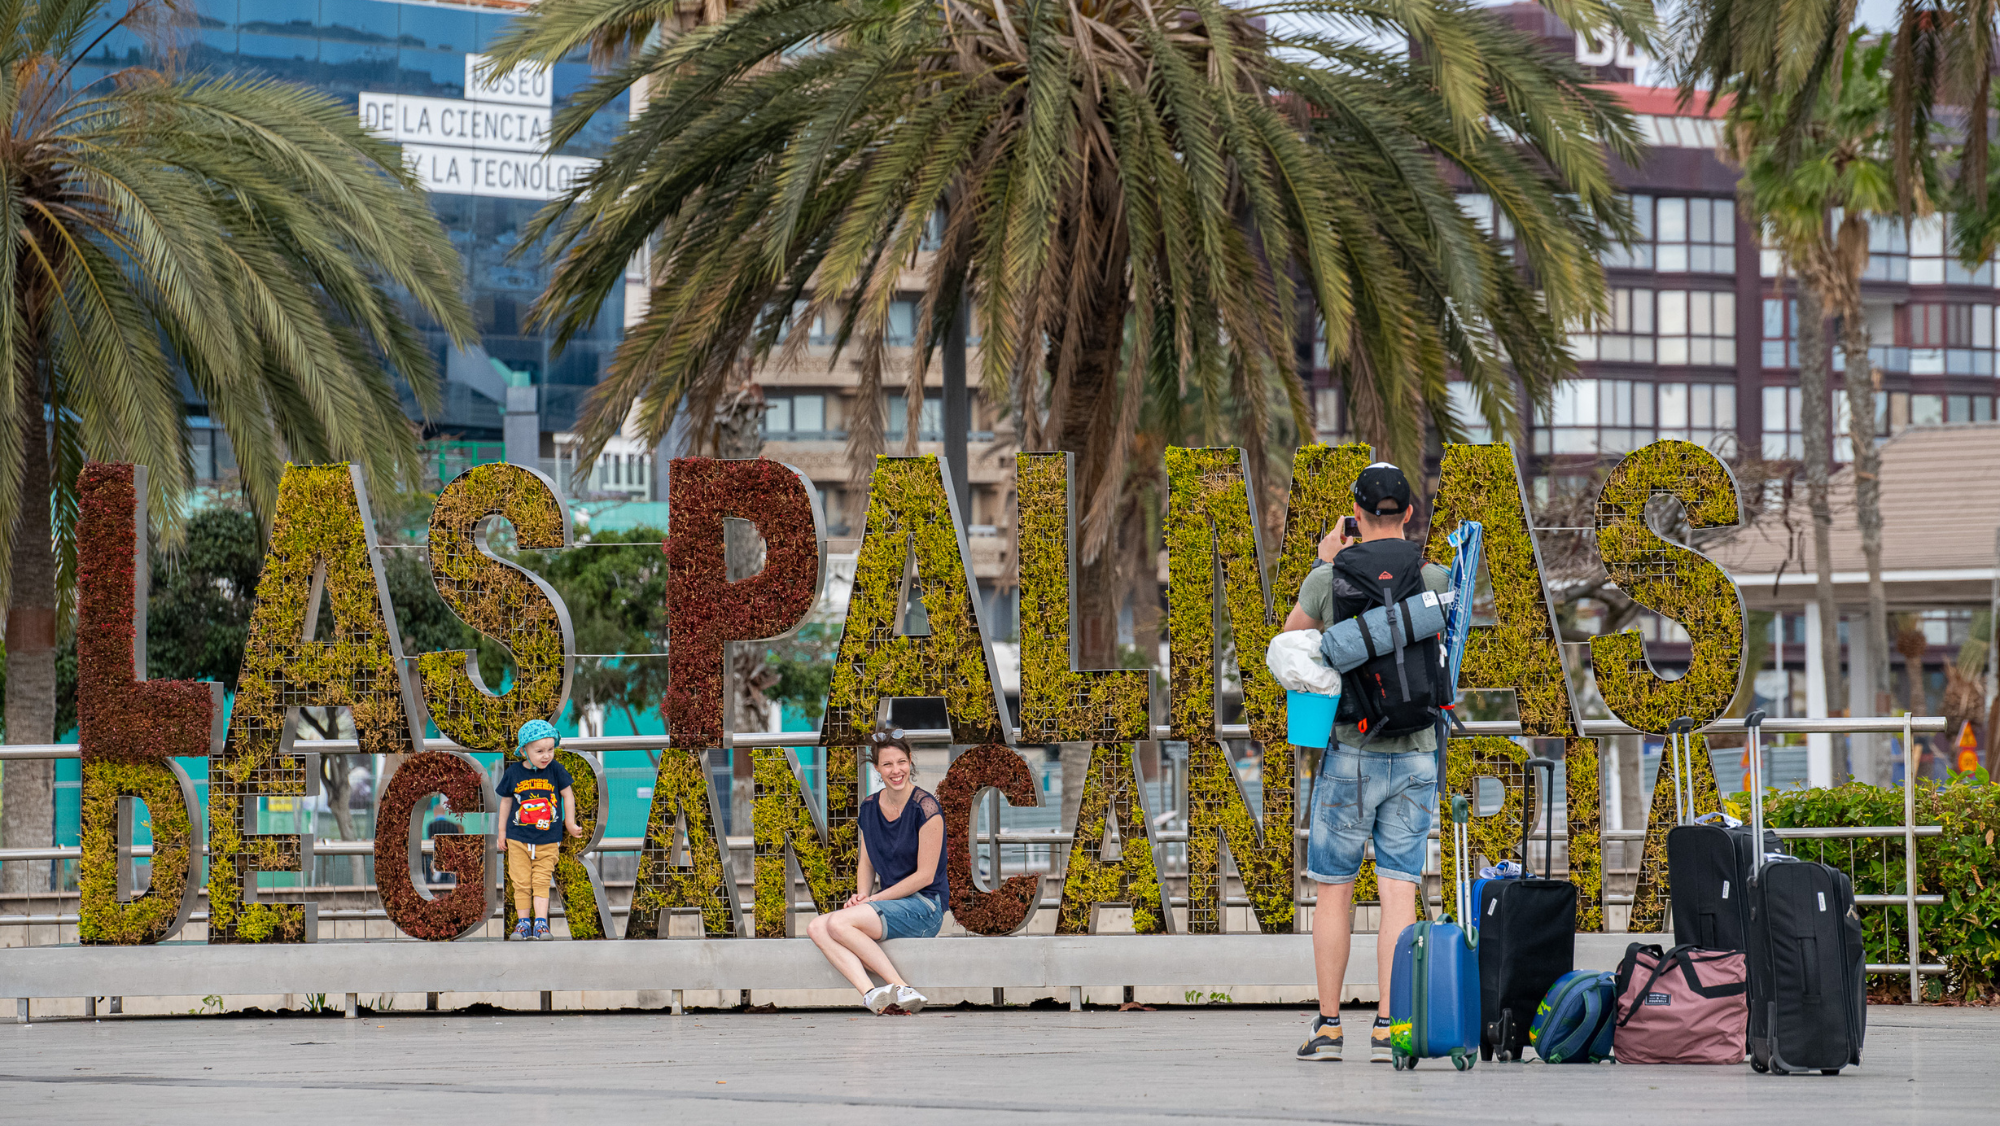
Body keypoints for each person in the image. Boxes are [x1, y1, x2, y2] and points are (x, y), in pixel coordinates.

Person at [1282, 463, 1449, 1062]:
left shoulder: (1329, 579)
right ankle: (1389, 1025)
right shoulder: (1435, 576)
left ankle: (1328, 1026)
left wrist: (1326, 563)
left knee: (1334, 889)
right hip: (1417, 754)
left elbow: (1292, 643)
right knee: (1399, 888)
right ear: (1408, 513)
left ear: (1354, 513)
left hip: (1350, 752)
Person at [804, 729, 946, 1014]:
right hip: (889, 904)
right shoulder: (869, 807)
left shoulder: (927, 808)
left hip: (926, 907)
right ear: (878, 769)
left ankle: (901, 987)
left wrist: (876, 900)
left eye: (902, 762)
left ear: (910, 763)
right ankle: (872, 994)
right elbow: (867, 861)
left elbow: (925, 877)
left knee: (838, 924)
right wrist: (862, 895)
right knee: (816, 926)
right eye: (888, 764)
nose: (897, 770)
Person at [496, 719, 583, 941]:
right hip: (517, 839)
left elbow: (567, 794)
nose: (546, 755)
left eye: (550, 750)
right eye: (539, 751)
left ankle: (541, 924)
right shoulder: (514, 772)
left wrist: (569, 823)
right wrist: (502, 832)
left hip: (548, 840)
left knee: (542, 881)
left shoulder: (555, 770)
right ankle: (524, 923)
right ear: (524, 750)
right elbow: (506, 802)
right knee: (521, 882)